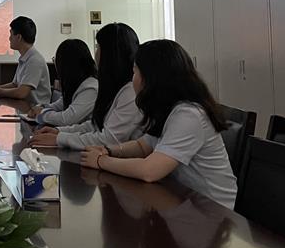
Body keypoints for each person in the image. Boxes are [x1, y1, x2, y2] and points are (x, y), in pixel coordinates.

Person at [78, 39, 238, 209]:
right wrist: (109, 150)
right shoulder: (169, 108)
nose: (133, 79)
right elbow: (143, 146)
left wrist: (101, 161)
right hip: (185, 200)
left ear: (151, 78)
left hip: (213, 212)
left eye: (135, 72)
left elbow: (149, 171)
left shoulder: (189, 115)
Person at [30, 22, 140, 150]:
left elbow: (110, 139)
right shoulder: (115, 87)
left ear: (111, 54)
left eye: (98, 47)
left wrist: (59, 138)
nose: (96, 53)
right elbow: (96, 125)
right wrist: (59, 132)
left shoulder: (129, 92)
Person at [0, 16, 52, 108]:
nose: (9, 38)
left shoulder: (34, 60)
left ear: (18, 37)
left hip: (35, 112)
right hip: (26, 108)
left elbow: (21, 93)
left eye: (11, 34)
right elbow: (15, 84)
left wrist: (0, 91)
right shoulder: (26, 57)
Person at [36, 39, 98, 126]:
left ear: (66, 65)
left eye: (55, 60)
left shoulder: (91, 88)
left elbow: (67, 119)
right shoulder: (76, 83)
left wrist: (43, 115)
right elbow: (60, 105)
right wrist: (43, 107)